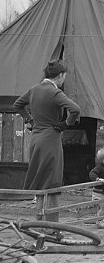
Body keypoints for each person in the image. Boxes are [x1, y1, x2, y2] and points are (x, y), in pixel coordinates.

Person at [13, 59, 81, 221]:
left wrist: (30, 121)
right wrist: (65, 124)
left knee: (41, 179)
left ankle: (39, 222)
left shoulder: (34, 89)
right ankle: (52, 226)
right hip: (51, 138)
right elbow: (75, 110)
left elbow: (18, 105)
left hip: (36, 139)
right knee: (52, 181)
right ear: (61, 75)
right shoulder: (55, 92)